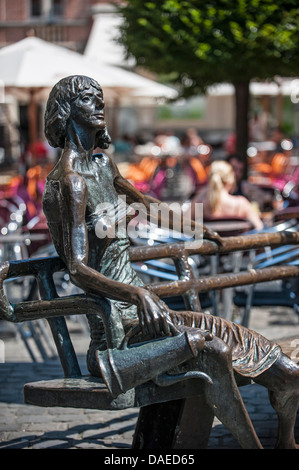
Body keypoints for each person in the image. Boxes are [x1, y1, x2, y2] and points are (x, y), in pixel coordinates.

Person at [22, 75, 299, 449]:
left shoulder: (102, 166)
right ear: (68, 110)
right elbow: (77, 268)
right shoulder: (68, 182)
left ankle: (285, 420)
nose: (100, 105)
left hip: (149, 324)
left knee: (260, 354)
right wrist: (138, 294)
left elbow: (148, 205)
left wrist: (198, 229)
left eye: (101, 98)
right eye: (90, 100)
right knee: (211, 349)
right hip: (116, 341)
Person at [192, 160, 264, 230]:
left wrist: (204, 191)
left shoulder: (200, 204)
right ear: (231, 180)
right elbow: (259, 227)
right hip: (235, 241)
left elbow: (183, 225)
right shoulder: (241, 203)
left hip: (208, 242)